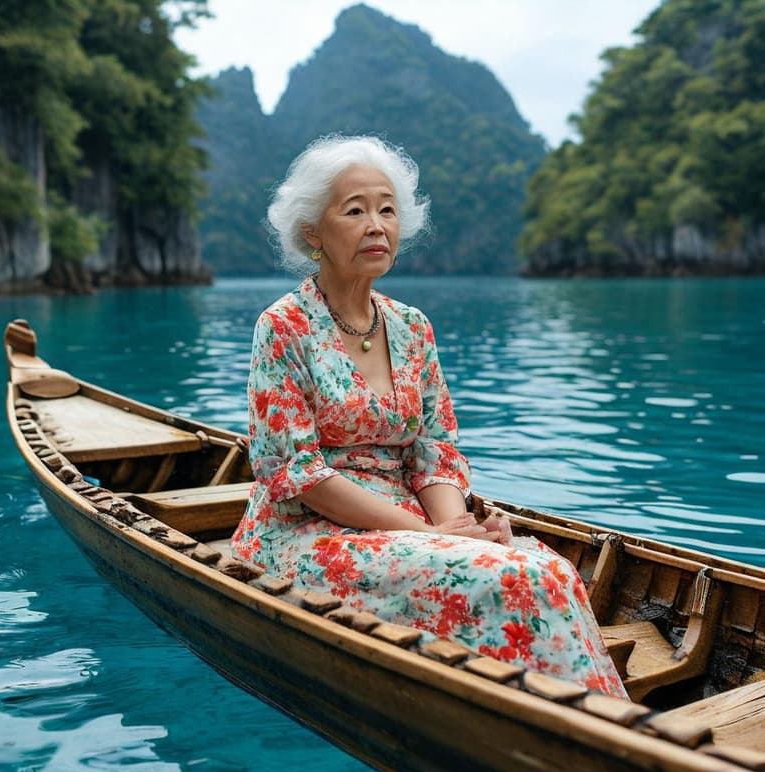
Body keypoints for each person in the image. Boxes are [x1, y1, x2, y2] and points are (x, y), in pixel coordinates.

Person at [232, 135, 626, 698]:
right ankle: (587, 730)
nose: (377, 225)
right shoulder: (284, 326)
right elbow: (298, 473)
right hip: (306, 533)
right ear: (313, 232)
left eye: (387, 209)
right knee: (512, 574)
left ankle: (594, 722)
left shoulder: (412, 326)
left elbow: (434, 448)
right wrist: (437, 537)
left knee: (550, 569)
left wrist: (454, 529)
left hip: (413, 522)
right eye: (355, 210)